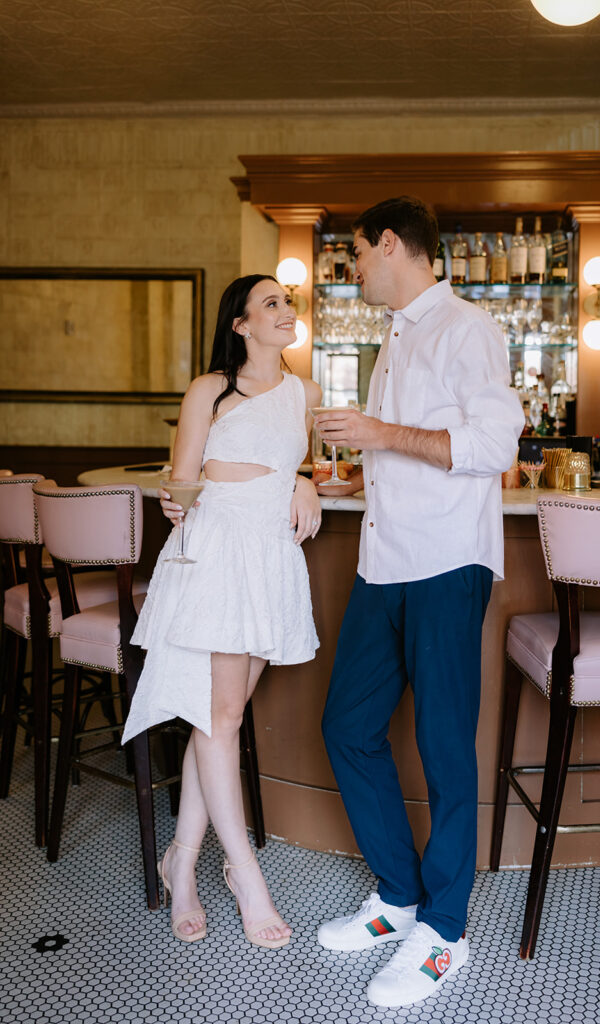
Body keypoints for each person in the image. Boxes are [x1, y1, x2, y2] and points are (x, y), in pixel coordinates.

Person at [314, 197, 524, 1008]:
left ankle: (444, 932)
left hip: (444, 564)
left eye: (357, 254)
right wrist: (357, 472)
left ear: (392, 244)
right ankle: (398, 897)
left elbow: (491, 448)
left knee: (441, 747)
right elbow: (408, 446)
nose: (354, 268)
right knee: (347, 725)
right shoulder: (395, 337)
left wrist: (379, 434)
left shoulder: (465, 328)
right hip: (383, 563)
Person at [121, 274, 321, 948]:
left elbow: (306, 464)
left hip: (269, 558)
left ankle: (182, 856)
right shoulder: (210, 389)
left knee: (220, 720)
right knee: (222, 717)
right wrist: (175, 499)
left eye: (286, 302)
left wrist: (305, 482)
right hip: (215, 553)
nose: (284, 310)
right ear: (239, 324)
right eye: (270, 303)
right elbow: (181, 481)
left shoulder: (307, 393)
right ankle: (244, 875)